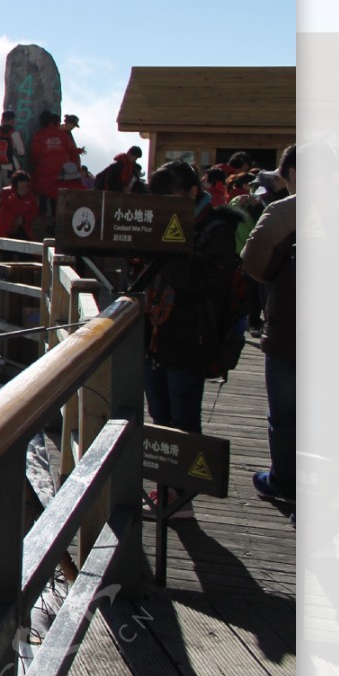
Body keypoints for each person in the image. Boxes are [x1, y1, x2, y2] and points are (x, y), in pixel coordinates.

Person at [137, 161, 249, 467]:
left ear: (192, 192)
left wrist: (166, 252)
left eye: (169, 198)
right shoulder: (158, 224)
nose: (163, 206)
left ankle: (181, 498)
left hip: (191, 341)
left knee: (184, 424)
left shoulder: (218, 230)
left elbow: (208, 286)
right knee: (159, 419)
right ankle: (166, 490)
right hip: (154, 339)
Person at [242, 144, 295, 510]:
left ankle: (284, 481)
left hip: (290, 331)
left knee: (286, 413)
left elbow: (255, 264)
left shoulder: (285, 211)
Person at [27, 111, 74, 218]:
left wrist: (34, 163)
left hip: (42, 170)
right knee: (55, 196)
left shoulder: (39, 135)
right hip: (59, 172)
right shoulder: (62, 135)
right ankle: (55, 219)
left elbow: (35, 153)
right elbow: (69, 149)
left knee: (42, 193)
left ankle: (42, 215)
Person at [0, 110, 26, 216]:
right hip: (9, 170)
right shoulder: (14, 134)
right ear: (12, 120)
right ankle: (8, 223)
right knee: (10, 197)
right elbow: (21, 152)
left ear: (2, 119)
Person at [0, 170, 41, 240]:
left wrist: (24, 219)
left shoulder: (31, 196)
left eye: (25, 182)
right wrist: (17, 195)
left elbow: (34, 211)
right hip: (6, 228)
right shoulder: (6, 191)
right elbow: (5, 205)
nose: (23, 184)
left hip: (23, 228)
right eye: (21, 182)